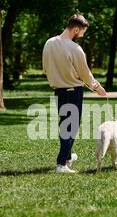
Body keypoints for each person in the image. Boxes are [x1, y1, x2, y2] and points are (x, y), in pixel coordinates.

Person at [43, 14, 107, 173]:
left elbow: (45, 67)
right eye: (82, 32)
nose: (82, 36)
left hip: (58, 91)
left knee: (65, 125)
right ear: (76, 29)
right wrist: (98, 88)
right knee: (69, 128)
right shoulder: (75, 48)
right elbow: (85, 74)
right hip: (73, 91)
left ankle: (68, 156)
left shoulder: (49, 43)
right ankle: (61, 164)